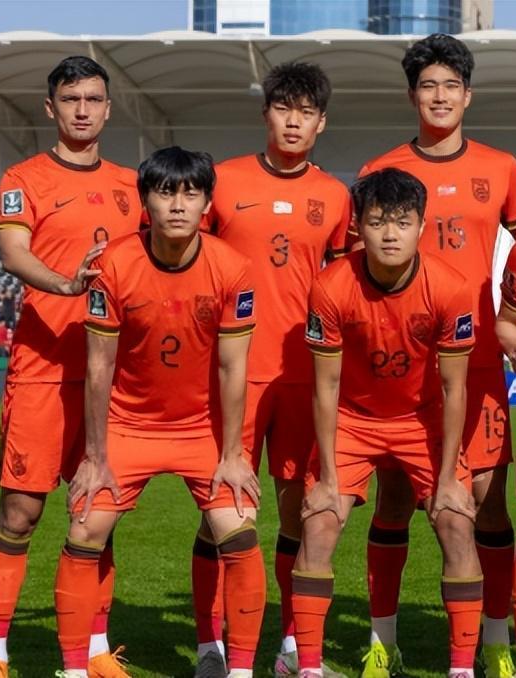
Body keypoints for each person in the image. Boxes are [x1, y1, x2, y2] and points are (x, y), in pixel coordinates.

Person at [350, 34, 516, 678]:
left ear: (468, 96)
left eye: (452, 85)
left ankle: (496, 642)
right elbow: (357, 267)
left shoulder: (502, 168)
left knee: (486, 503)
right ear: (412, 96)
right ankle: (383, 642)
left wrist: (515, 322)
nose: (441, 96)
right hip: (400, 368)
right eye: (429, 85)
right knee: (395, 501)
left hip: (476, 363)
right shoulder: (381, 169)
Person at [55, 146, 265, 678]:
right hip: (128, 426)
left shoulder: (232, 267)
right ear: (145, 201)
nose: (177, 204)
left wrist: (234, 454)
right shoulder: (114, 264)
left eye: (190, 193)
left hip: (202, 428)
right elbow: (99, 365)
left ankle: (237, 669)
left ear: (207, 203)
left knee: (239, 530)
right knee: (85, 527)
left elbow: (233, 368)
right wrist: (94, 457)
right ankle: (75, 670)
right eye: (165, 192)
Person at [0, 55, 142, 678]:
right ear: (51, 108)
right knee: (20, 512)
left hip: (113, 375)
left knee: (98, 514)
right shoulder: (24, 178)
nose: (82, 110)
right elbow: (13, 253)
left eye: (93, 99)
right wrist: (67, 285)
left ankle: (96, 649)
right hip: (43, 367)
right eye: (70, 99)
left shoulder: (133, 185)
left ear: (108, 108)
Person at [193, 60, 352, 678]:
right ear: (266, 113)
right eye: (283, 109)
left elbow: (344, 281)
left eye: (305, 113)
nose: (293, 122)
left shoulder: (335, 196)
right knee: (222, 511)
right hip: (230, 372)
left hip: (302, 375)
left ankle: (290, 646)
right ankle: (210, 646)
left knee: (296, 512)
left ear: (321, 123)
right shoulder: (223, 181)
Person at [291, 168, 482, 678]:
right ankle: (308, 667)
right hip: (352, 419)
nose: (390, 234)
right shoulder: (330, 287)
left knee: (456, 522)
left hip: (422, 419)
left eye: (402, 222)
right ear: (358, 226)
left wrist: (448, 478)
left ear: (421, 225)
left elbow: (454, 388)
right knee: (320, 522)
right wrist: (327, 477)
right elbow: (326, 386)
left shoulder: (451, 287)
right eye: (377, 222)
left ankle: (462, 668)